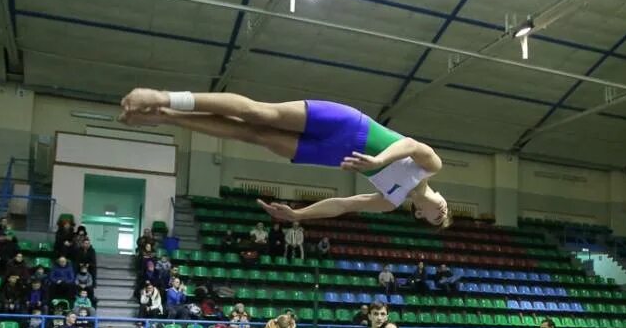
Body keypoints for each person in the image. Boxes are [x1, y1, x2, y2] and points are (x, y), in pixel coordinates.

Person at [118, 90, 450, 227]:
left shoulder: (391, 201)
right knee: (262, 114)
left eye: (438, 220)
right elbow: (408, 144)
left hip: (330, 153)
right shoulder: (431, 166)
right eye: (445, 212)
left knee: (254, 135)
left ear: (421, 214)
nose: (443, 214)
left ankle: (165, 115)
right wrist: (378, 162)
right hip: (350, 125)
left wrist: (298, 215)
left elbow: (343, 204)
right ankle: (167, 97)